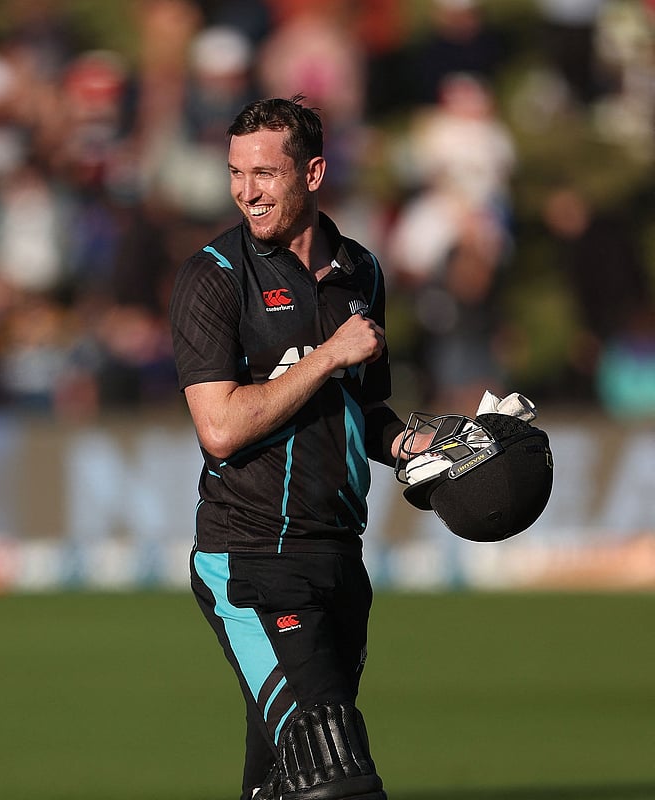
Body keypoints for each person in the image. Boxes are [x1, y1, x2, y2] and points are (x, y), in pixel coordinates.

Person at [168, 96, 407, 800]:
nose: (246, 190)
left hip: (339, 560)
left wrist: (423, 445)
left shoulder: (360, 271)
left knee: (281, 782)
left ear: (313, 173)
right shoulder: (213, 276)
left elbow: (365, 410)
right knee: (335, 777)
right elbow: (220, 428)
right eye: (236, 172)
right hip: (252, 564)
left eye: (265, 173)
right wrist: (330, 355)